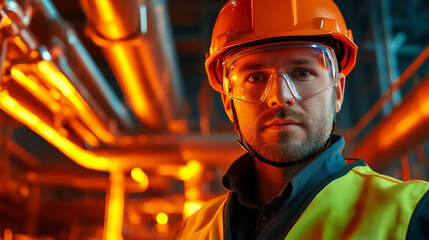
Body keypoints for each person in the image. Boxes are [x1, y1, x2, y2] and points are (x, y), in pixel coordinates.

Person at [177, 0, 429, 239]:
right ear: (227, 103)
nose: (280, 96)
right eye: (255, 78)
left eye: (302, 73)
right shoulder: (195, 230)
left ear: (337, 91)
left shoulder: (413, 215)